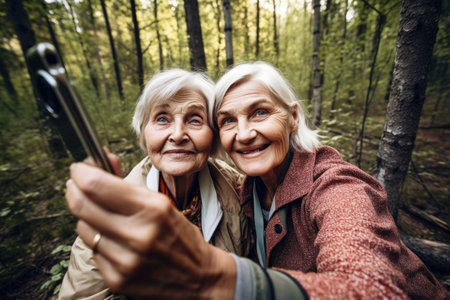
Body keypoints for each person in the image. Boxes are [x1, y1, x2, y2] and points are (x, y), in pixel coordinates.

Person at [64, 63, 449, 299]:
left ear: (293, 117)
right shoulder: (244, 186)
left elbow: (376, 292)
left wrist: (215, 279)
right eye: (229, 119)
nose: (244, 133)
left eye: (260, 112)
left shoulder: (338, 188)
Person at [58, 69, 252, 299]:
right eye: (162, 119)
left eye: (195, 120)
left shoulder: (237, 186)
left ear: (214, 136)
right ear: (144, 132)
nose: (178, 134)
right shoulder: (112, 213)